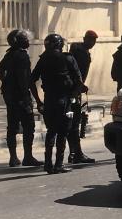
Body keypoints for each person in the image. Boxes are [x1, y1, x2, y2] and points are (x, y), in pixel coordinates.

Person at [31, 33, 85, 174]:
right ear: (60, 44)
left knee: (51, 131)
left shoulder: (42, 60)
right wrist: (73, 98)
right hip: (66, 102)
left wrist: (38, 101)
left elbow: (31, 81)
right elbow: (79, 81)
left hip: (49, 101)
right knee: (64, 131)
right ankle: (58, 164)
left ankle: (48, 164)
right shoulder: (68, 58)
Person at [0, 29, 42, 167]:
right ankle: (28, 157)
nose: (28, 41)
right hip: (21, 97)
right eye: (26, 39)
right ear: (21, 41)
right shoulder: (22, 56)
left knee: (12, 127)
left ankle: (13, 158)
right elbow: (25, 80)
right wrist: (32, 99)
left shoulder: (9, 54)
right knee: (29, 126)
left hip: (9, 96)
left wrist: (6, 83)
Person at [66, 30, 98, 164]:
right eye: (90, 40)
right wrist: (79, 86)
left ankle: (74, 153)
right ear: (85, 39)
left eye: (94, 40)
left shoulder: (78, 51)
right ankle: (75, 153)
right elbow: (76, 73)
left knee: (72, 122)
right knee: (73, 123)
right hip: (73, 92)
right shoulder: (80, 53)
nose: (92, 43)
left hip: (74, 91)